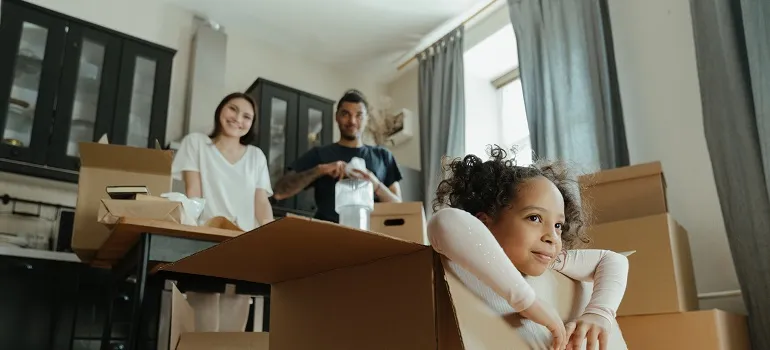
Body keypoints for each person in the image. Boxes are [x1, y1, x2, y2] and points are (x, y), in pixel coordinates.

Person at [428, 146, 628, 350]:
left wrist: (599, 313)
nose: (551, 237)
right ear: (484, 223)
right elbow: (445, 221)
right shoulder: (459, 248)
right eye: (534, 218)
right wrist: (528, 303)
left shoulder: (551, 259)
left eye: (558, 225)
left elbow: (614, 260)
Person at [273, 89, 403, 223]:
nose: (352, 121)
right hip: (327, 237)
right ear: (336, 117)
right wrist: (319, 170)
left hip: (371, 237)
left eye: (359, 115)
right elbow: (279, 192)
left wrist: (374, 183)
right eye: (345, 114)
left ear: (367, 118)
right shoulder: (320, 154)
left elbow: (400, 209)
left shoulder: (383, 156)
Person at [172, 92, 274, 231]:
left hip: (245, 238)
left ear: (252, 124)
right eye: (233, 109)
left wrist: (272, 233)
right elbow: (193, 191)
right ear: (220, 109)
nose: (238, 119)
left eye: (246, 117)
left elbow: (261, 202)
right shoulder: (196, 143)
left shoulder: (256, 156)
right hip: (207, 233)